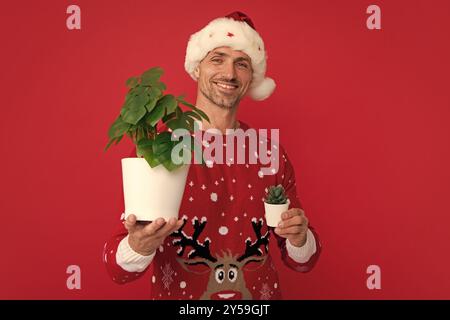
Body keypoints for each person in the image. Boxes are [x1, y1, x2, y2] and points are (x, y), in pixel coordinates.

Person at [103, 11, 321, 300]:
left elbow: (302, 260)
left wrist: (299, 237)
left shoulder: (269, 153)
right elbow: (118, 270)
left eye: (241, 64)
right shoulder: (160, 144)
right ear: (197, 68)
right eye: (217, 59)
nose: (229, 74)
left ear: (251, 77)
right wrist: (139, 245)